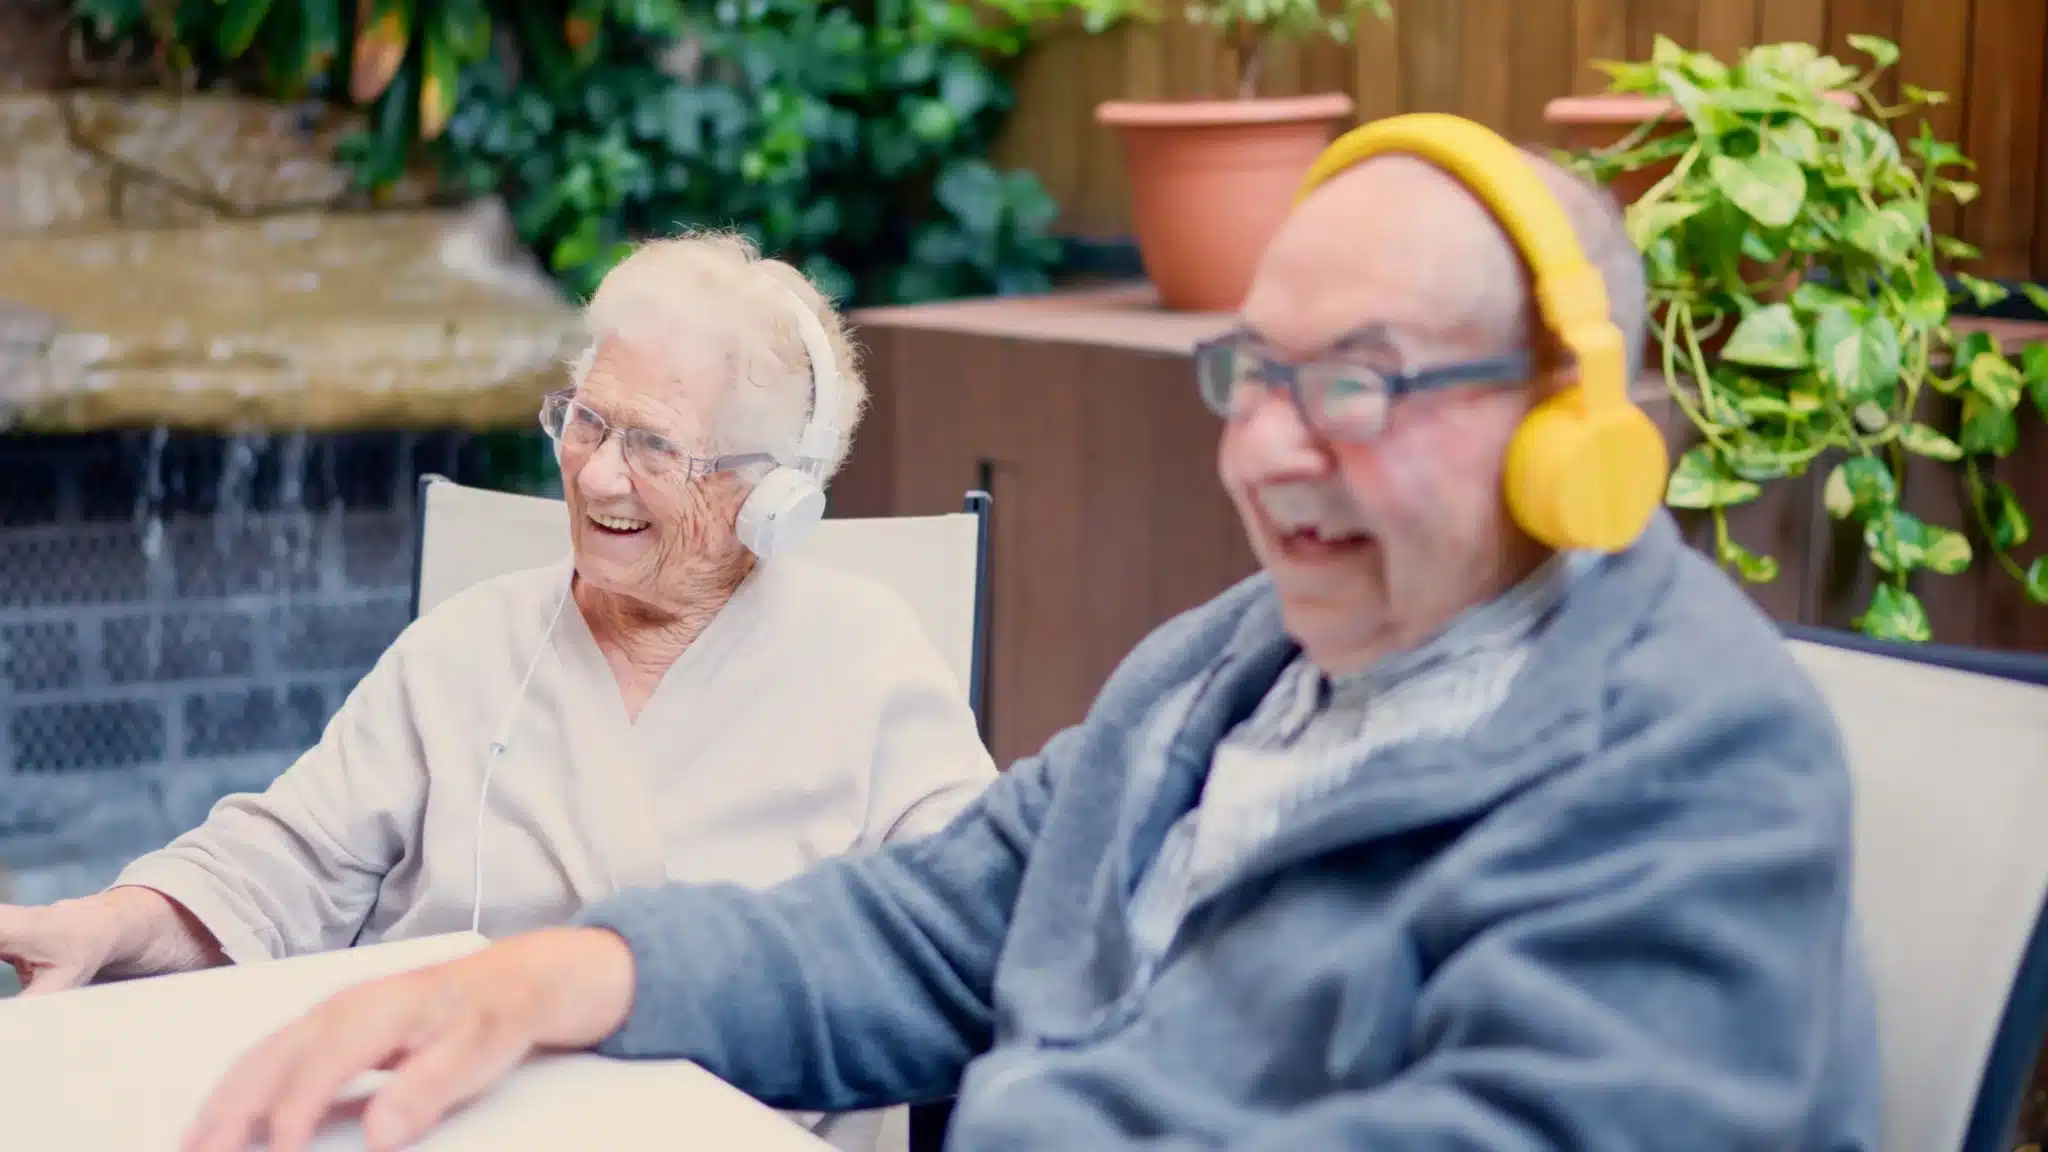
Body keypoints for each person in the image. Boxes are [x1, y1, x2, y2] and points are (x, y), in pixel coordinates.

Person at [181, 116, 1881, 1152]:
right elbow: (930, 926)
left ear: (1562, 429)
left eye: (1350, 384)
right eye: (1251, 375)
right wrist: (562, 971)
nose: (1267, 446)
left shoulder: (1690, 759)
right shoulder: (1227, 670)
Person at [0, 231, 999, 1151]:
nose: (597, 476)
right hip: (439, 1123)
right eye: (585, 421)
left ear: (774, 493)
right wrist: (114, 920)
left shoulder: (867, 663)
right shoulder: (471, 642)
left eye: (652, 446)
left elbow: (962, 937)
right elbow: (286, 859)